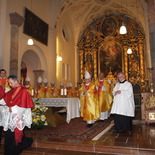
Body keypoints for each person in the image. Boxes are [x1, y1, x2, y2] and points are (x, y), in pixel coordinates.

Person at [0, 75, 34, 155]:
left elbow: (24, 106)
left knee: (16, 137)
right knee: (9, 136)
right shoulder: (11, 91)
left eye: (11, 83)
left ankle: (14, 151)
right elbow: (5, 100)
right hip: (10, 119)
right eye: (9, 83)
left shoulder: (23, 91)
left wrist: (13, 108)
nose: (10, 85)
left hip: (18, 118)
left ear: (16, 81)